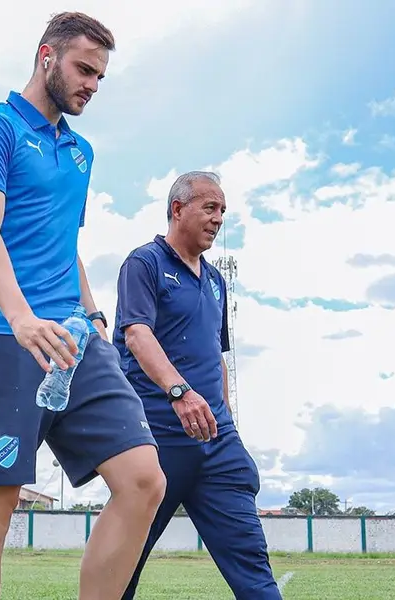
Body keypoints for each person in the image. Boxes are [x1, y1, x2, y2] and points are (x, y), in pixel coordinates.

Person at [0, 11, 166, 600]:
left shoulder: (80, 152)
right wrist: (22, 318)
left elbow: (63, 243)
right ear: (46, 56)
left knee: (144, 480)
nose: (91, 85)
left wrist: (94, 317)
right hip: (0, 333)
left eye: (100, 76)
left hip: (73, 340)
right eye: (83, 69)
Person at [114, 171, 282, 599]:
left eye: (222, 211)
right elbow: (136, 334)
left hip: (217, 444)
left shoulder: (215, 281)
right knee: (121, 565)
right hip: (158, 440)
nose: (218, 218)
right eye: (210, 208)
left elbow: (217, 355)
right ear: (177, 209)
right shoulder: (144, 263)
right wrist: (179, 392)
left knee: (252, 564)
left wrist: (225, 421)